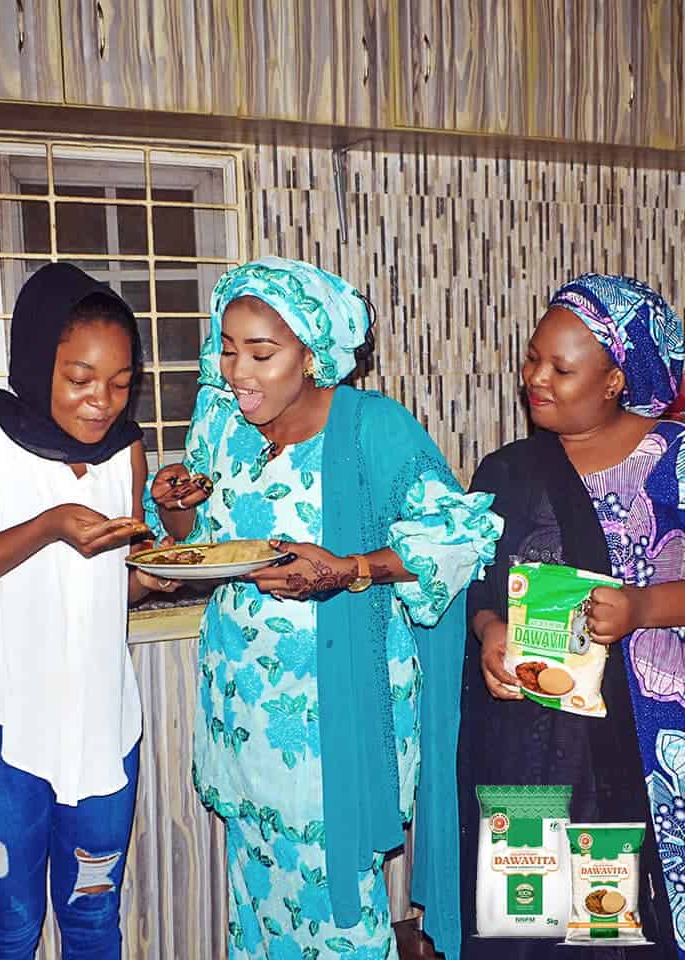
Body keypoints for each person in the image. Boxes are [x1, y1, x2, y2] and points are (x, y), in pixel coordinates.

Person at [146, 256, 502, 960]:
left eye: (261, 352)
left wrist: (350, 570)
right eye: (227, 347)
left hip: (333, 715)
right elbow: (204, 550)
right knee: (259, 893)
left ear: (312, 355)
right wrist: (174, 512)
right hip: (242, 706)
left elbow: (459, 539)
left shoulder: (374, 429)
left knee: (332, 901)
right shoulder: (224, 431)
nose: (236, 371)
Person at [0, 263, 175, 960]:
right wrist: (46, 525)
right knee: (10, 925)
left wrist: (155, 574)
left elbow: (102, 587)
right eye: (80, 378)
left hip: (102, 724)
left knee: (94, 918)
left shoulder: (125, 448)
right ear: (38, 357)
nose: (102, 401)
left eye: (122, 384)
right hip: (0, 730)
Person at [459, 273, 685, 959]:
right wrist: (490, 632)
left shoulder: (674, 464)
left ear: (617, 378)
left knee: (608, 922)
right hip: (529, 740)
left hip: (640, 745)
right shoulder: (507, 470)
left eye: (561, 368)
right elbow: (479, 585)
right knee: (527, 924)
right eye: (532, 358)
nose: (536, 378)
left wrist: (643, 605)